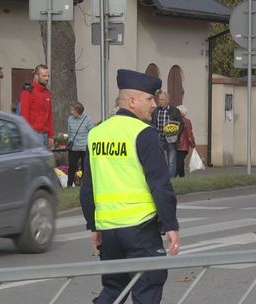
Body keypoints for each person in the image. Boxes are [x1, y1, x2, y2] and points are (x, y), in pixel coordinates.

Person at [80, 69, 180, 304]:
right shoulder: (143, 133)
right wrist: (171, 225)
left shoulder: (96, 134)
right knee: (148, 287)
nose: (154, 104)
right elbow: (160, 184)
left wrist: (94, 226)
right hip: (141, 228)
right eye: (149, 99)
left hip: (109, 232)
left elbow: (88, 187)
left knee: (115, 290)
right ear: (132, 101)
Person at [20, 64, 54, 149]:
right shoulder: (28, 92)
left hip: (45, 135)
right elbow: (24, 116)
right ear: (36, 76)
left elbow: (49, 116)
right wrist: (28, 135)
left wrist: (50, 136)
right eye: (44, 76)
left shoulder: (47, 93)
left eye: (48, 76)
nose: (47, 78)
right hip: (33, 134)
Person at [151, 91, 183, 178]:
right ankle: (161, 178)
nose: (159, 101)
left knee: (171, 161)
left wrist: (176, 135)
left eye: (161, 100)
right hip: (159, 138)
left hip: (171, 139)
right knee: (158, 160)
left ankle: (170, 180)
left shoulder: (175, 111)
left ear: (167, 101)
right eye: (159, 99)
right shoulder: (156, 111)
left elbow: (181, 124)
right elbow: (152, 123)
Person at [67, 102, 94, 187]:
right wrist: (70, 141)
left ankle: (84, 184)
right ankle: (69, 184)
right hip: (74, 147)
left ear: (78, 111)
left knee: (84, 167)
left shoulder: (87, 119)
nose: (71, 112)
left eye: (73, 110)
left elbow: (92, 132)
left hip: (84, 147)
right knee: (72, 166)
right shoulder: (70, 119)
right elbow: (69, 131)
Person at [175, 105, 196, 177]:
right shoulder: (187, 121)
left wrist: (192, 143)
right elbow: (190, 133)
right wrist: (192, 143)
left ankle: (174, 177)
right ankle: (181, 177)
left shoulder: (178, 121)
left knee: (178, 162)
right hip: (184, 146)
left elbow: (189, 133)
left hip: (178, 145)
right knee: (180, 162)